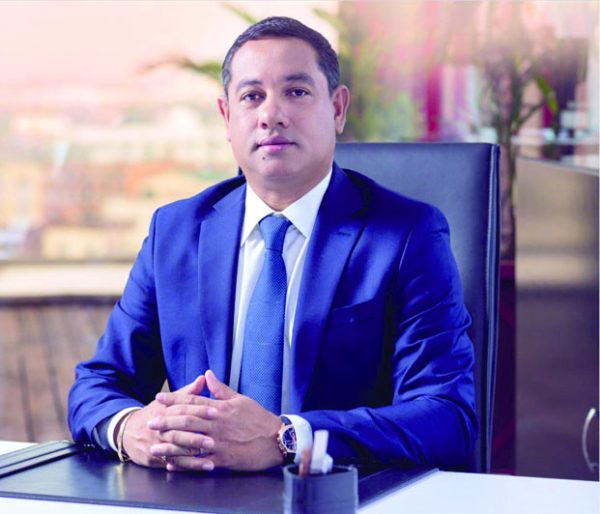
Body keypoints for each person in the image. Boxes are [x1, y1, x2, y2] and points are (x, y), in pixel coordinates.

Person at [68, 16, 476, 473]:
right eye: (251, 96)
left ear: (337, 108)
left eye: (296, 92)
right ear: (227, 117)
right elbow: (98, 384)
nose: (271, 115)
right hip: (196, 493)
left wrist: (286, 438)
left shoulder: (407, 236)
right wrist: (129, 428)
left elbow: (447, 418)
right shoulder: (177, 231)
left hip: (332, 497)